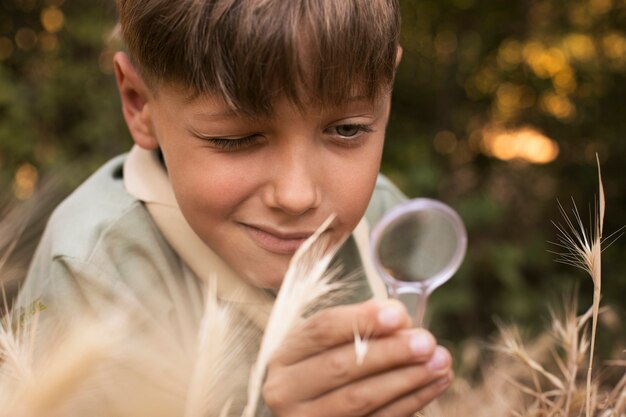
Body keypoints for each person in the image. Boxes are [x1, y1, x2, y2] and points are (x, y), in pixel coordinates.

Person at [17, 0, 454, 415]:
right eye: (235, 139)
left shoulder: (385, 227)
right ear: (140, 104)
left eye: (346, 129)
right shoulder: (93, 274)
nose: (296, 195)